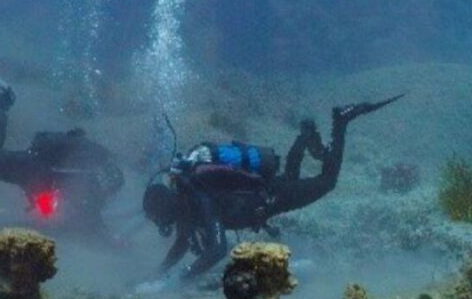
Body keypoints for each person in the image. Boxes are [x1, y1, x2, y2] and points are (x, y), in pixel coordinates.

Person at [141, 95, 402, 282]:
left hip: (271, 196)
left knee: (327, 182)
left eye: (159, 218)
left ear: (167, 207)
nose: (162, 224)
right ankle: (305, 135)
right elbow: (181, 244)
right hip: (268, 191)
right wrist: (155, 275)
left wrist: (183, 278)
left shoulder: (199, 200)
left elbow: (218, 248)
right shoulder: (188, 201)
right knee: (289, 176)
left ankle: (341, 121)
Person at [0, 35, 124, 235]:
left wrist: (46, 203)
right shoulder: (90, 192)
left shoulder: (87, 180)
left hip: (34, 166)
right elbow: (87, 221)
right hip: (35, 170)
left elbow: (59, 202)